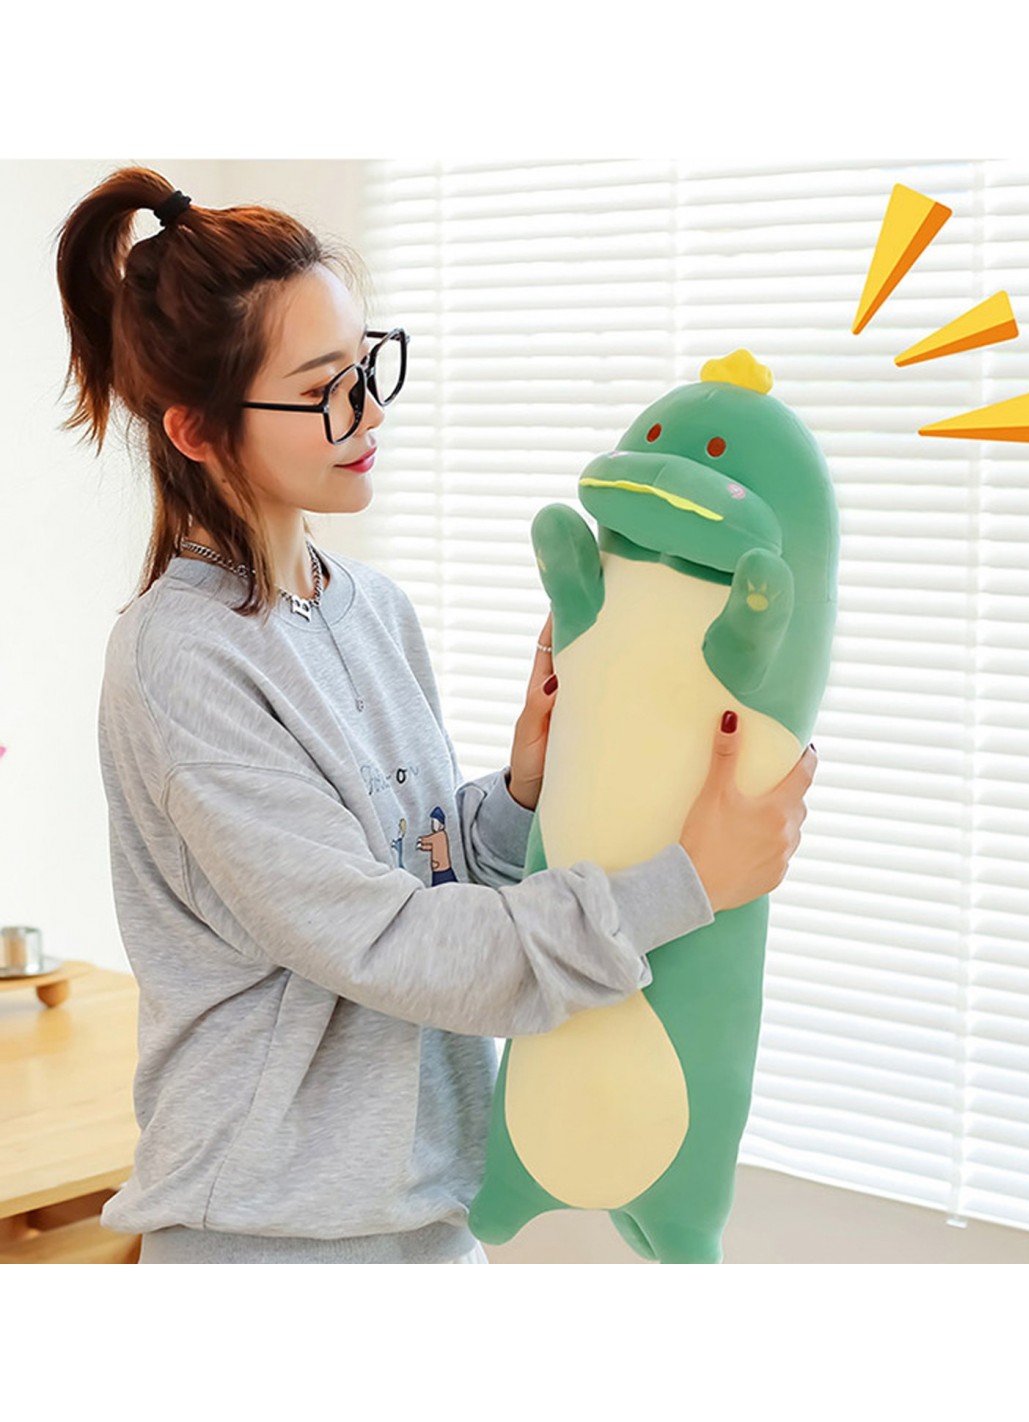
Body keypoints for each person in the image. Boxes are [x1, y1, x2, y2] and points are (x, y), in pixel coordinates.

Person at [54, 166, 819, 1265]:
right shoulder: (182, 660)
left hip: (428, 1219)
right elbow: (390, 946)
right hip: (275, 1244)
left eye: (366, 367)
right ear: (196, 429)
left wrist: (519, 795)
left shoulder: (371, 609)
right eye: (323, 388)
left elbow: (412, 871)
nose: (368, 412)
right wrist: (687, 883)